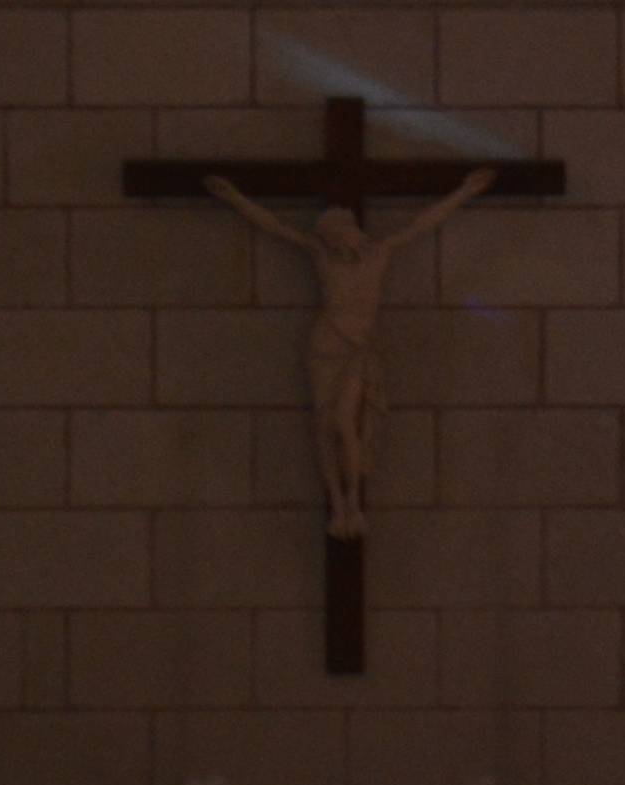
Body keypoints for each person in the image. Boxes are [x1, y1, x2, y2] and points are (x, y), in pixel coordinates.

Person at [198, 168, 501, 538]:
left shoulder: (380, 254)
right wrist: (234, 198)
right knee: (324, 429)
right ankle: (338, 506)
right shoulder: (322, 257)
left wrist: (465, 191)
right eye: (331, 241)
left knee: (344, 422)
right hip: (324, 346)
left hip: (355, 348)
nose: (336, 245)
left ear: (350, 232)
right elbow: (274, 226)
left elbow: (425, 222)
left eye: (338, 237)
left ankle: (353, 501)